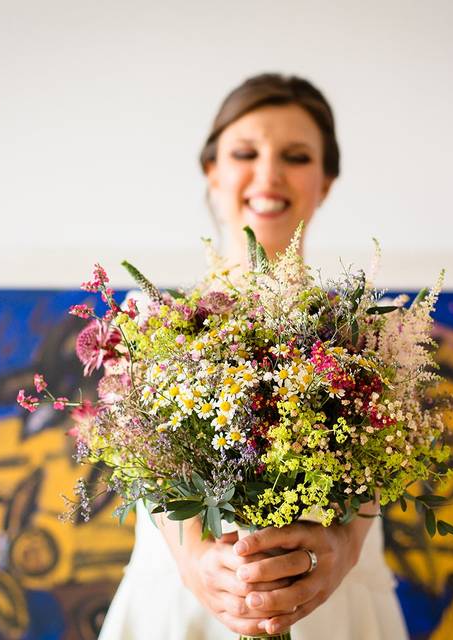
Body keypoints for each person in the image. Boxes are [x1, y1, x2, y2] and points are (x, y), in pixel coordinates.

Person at [97, 74, 408, 640]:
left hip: (335, 613)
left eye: (296, 156)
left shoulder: (376, 334)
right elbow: (143, 472)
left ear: (326, 180)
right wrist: (194, 563)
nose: (268, 175)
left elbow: (379, 479)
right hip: (178, 612)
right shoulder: (143, 326)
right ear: (212, 170)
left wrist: (339, 551)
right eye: (245, 153)